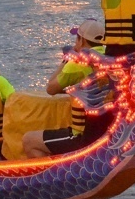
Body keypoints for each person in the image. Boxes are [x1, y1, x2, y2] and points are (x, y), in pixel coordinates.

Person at [21, 19, 104, 158]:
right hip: (105, 131)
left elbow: (51, 88)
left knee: (29, 140)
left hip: (82, 135)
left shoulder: (77, 64)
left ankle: (54, 176)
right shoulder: (111, 58)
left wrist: (66, 60)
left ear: (81, 40)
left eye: (77, 39)